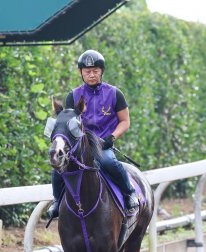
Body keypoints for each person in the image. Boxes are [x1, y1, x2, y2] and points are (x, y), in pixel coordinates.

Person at [47, 50, 139, 219]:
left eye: (95, 71)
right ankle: (56, 201)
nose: (91, 75)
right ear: (81, 73)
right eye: (87, 71)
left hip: (102, 144)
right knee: (58, 166)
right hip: (79, 145)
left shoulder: (115, 94)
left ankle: (129, 193)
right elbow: (67, 123)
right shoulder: (73, 96)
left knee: (108, 161)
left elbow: (125, 121)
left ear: (101, 72)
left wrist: (112, 138)